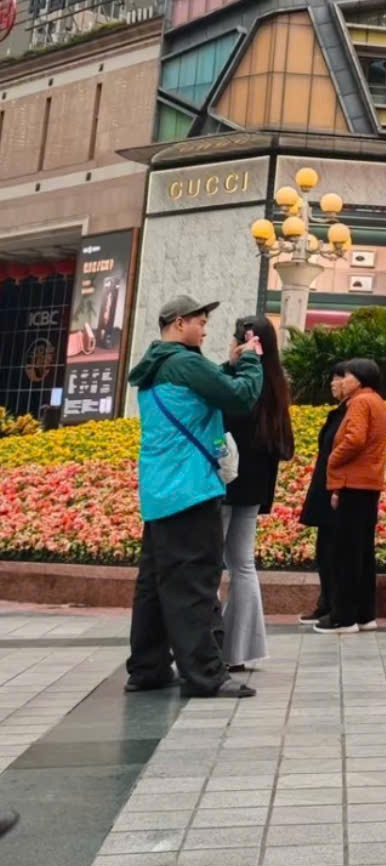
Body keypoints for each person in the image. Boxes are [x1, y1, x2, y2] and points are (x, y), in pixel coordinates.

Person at [126, 295, 262, 699]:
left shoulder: (157, 365)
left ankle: (148, 669)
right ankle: (205, 675)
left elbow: (201, 388)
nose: (204, 330)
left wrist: (227, 366)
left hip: (160, 492)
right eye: (200, 322)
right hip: (190, 489)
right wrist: (251, 362)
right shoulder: (185, 362)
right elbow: (240, 397)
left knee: (154, 587)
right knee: (195, 584)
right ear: (179, 322)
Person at [219, 316, 295, 671]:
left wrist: (230, 366)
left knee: (210, 562)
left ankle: (204, 648)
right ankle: (238, 650)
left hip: (224, 480)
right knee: (242, 564)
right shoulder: (276, 384)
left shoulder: (239, 381)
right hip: (255, 485)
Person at [315, 358, 386, 634]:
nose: (341, 381)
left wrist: (332, 459)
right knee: (363, 552)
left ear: (359, 379)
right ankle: (365, 614)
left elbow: (354, 439)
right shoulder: (376, 401)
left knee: (345, 553)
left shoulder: (359, 402)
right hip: (368, 484)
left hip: (352, 483)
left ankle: (343, 617)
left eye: (345, 376)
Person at [299, 364, 349, 627]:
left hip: (335, 489)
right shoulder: (338, 413)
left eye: (339, 378)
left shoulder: (351, 413)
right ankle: (325, 602)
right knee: (324, 549)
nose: (333, 383)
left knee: (333, 550)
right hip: (324, 486)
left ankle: (334, 606)